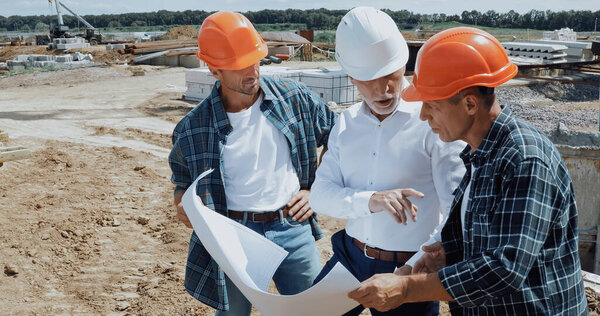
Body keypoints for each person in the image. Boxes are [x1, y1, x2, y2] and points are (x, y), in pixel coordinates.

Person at [349, 27, 588, 315]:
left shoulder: (525, 160)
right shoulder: (480, 153)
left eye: (431, 106)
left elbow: (505, 268)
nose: (423, 116)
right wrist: (452, 254)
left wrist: (408, 288)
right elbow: (492, 237)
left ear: (470, 103)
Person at [168, 11, 336, 315]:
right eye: (240, 65)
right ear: (214, 70)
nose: (252, 71)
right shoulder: (193, 128)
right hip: (234, 236)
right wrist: (182, 204)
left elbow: (339, 137)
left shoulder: (294, 99)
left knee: (312, 311)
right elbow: (181, 182)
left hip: (292, 228)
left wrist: (318, 189)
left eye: (255, 60)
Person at [309, 7, 465, 315]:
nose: (384, 90)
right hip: (350, 258)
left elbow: (455, 210)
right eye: (370, 81)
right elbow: (320, 196)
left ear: (403, 65)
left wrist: (410, 273)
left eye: (391, 77)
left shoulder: (433, 122)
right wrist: (372, 200)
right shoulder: (346, 123)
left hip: (407, 266)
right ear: (352, 77)